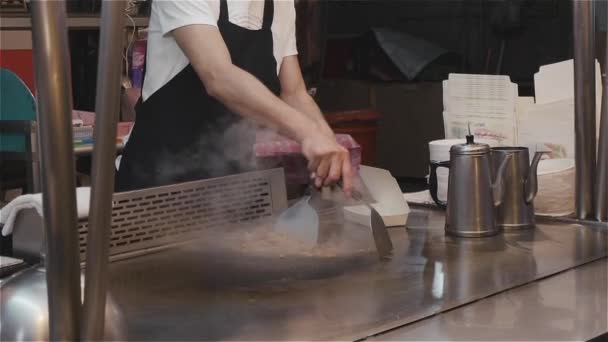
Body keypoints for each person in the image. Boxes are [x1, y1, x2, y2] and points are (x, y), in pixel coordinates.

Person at [115, 0, 353, 194]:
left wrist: (328, 147)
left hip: (229, 192)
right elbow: (218, 76)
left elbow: (294, 93)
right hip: (156, 186)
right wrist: (308, 132)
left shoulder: (281, 4)